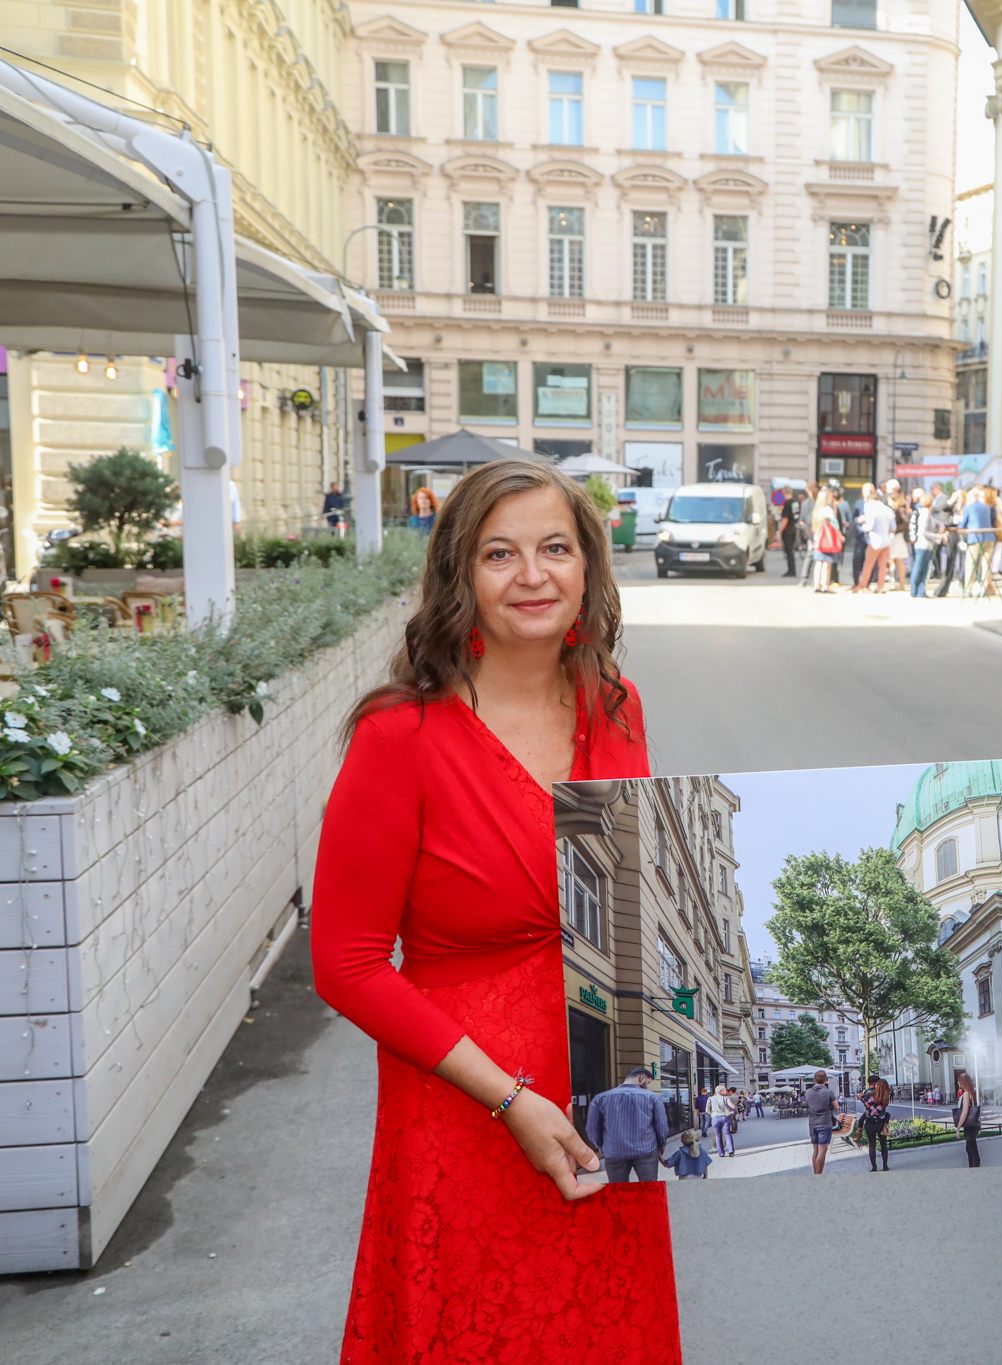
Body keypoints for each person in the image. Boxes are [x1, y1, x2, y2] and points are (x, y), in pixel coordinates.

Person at [311, 457, 680, 1362]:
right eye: (500, 554)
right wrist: (509, 1099)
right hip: (465, 1103)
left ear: (588, 563)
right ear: (459, 578)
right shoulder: (401, 733)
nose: (532, 575)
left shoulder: (617, 708)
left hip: (603, 1104)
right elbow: (346, 963)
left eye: (555, 547)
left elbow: (635, 890)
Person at [587, 1066, 670, 1182]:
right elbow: (662, 1126)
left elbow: (591, 1128)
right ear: (641, 1078)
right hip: (646, 1151)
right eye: (647, 1082)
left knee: (619, 1191)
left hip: (614, 1151)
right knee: (649, 1189)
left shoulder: (600, 1098)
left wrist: (599, 1146)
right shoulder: (653, 1098)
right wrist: (662, 1144)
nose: (647, 1086)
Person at [852, 483, 893, 594]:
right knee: (882, 566)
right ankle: (880, 586)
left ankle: (862, 586)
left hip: (875, 541)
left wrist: (860, 527)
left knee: (868, 565)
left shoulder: (873, 509)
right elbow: (893, 527)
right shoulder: (887, 510)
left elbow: (869, 526)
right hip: (886, 541)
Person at [959, 489, 996, 597]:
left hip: (975, 537)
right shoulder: (987, 507)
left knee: (971, 563)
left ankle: (968, 588)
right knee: (986, 564)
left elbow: (963, 524)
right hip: (989, 537)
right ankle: (985, 587)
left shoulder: (969, 508)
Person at [803, 1069, 838, 1175]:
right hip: (824, 1123)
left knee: (815, 1150)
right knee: (822, 1150)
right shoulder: (828, 1092)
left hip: (812, 1124)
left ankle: (815, 1173)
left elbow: (807, 1104)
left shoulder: (808, 1092)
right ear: (826, 1080)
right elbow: (836, 1107)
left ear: (814, 1080)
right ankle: (819, 1176)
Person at [809, 488, 843, 594]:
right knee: (827, 563)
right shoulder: (828, 510)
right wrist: (840, 535)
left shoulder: (816, 510)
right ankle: (825, 585)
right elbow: (835, 525)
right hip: (827, 540)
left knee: (818, 562)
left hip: (818, 539)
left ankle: (816, 584)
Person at [862, 1074, 893, 1172]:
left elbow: (865, 1104)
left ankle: (874, 1167)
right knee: (883, 1144)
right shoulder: (883, 1093)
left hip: (870, 1123)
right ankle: (885, 1166)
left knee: (872, 1145)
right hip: (881, 1123)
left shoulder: (867, 1093)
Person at [954, 1069, 983, 1168]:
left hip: (970, 1126)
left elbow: (965, 1112)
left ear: (963, 1082)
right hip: (973, 1125)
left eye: (959, 1081)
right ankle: (973, 1167)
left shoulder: (966, 1094)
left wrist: (958, 1127)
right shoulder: (971, 1093)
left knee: (971, 1149)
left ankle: (974, 1169)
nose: (957, 1082)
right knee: (969, 1148)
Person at [887, 490, 912, 590]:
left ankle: (901, 584)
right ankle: (900, 583)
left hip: (897, 537)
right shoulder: (900, 509)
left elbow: (905, 524)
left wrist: (894, 529)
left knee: (898, 561)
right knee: (896, 561)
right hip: (897, 537)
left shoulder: (900, 510)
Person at [778, 486, 802, 580]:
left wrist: (779, 530)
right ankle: (792, 569)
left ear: (785, 493)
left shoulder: (787, 503)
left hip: (788, 529)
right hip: (794, 527)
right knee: (790, 551)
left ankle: (791, 570)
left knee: (788, 551)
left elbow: (785, 519)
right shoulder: (795, 502)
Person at [708, 1085, 736, 1158]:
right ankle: (731, 1151)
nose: (726, 1091)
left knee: (718, 1136)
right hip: (725, 1117)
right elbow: (733, 1106)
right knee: (727, 1134)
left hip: (715, 1118)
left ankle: (721, 1153)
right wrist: (732, 1110)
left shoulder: (710, 1098)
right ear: (720, 1091)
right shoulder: (726, 1098)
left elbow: (707, 1110)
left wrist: (713, 1114)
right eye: (724, 1090)